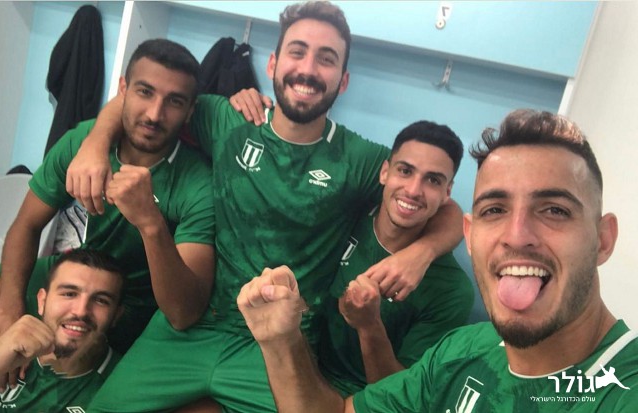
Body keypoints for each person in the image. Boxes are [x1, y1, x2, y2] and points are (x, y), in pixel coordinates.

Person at [75, 2, 463, 412]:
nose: (308, 69)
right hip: (194, 330)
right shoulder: (225, 119)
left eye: (326, 59)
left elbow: (446, 207)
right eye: (297, 52)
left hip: (279, 341)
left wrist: (421, 254)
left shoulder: (360, 160)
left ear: (343, 80)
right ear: (274, 63)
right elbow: (141, 97)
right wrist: (94, 145)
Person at [238, 109, 638, 412]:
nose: (517, 236)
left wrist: (373, 320)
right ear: (470, 234)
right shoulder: (460, 351)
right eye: (495, 210)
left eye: (554, 210)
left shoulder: (622, 388)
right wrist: (279, 340)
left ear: (603, 240)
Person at [0, 37, 215, 370]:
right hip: (79, 275)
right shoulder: (82, 142)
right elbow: (26, 225)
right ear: (123, 89)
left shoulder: (197, 182)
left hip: (138, 304)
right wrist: (9, 313)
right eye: (145, 92)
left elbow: (183, 312)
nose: (154, 114)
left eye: (174, 101)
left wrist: (150, 222)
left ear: (190, 111)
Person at [318, 120, 474, 395]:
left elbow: (402, 396)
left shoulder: (452, 291)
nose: (413, 190)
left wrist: (369, 326)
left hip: (367, 400)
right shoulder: (346, 213)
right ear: (384, 172)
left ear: (447, 193)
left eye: (433, 180)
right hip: (305, 367)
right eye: (405, 171)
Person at [0, 249, 125, 412]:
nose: (81, 311)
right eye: (69, 294)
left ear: (116, 315)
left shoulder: (121, 387)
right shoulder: (8, 340)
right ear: (42, 301)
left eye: (101, 300)